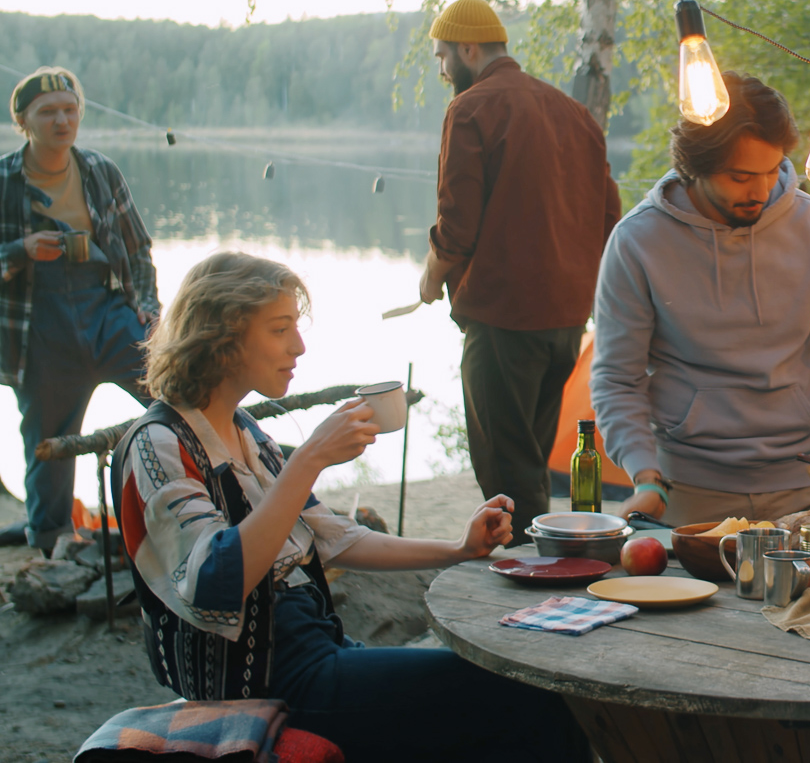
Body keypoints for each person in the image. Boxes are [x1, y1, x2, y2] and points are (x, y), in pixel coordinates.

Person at [115, 252, 588, 762]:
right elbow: (214, 582)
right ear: (222, 336)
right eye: (279, 330)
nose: (298, 346)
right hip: (266, 681)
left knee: (515, 690)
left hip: (319, 651)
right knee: (524, 693)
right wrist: (310, 459)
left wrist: (457, 548)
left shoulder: (246, 431)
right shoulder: (158, 444)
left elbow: (334, 537)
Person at [591, 72, 810, 526]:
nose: (762, 191)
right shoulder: (637, 241)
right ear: (697, 167)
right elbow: (617, 378)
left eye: (773, 171)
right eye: (741, 176)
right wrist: (644, 477)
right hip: (685, 494)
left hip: (807, 486)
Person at [417, 0, 621, 539]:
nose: (441, 70)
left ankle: (537, 579)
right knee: (530, 462)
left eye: (442, 57)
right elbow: (608, 217)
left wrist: (431, 275)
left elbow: (456, 224)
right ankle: (549, 568)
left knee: (508, 475)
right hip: (565, 324)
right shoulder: (575, 114)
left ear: (468, 48)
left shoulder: (471, 108)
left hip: (503, 317)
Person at [0, 66, 159, 552]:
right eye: (48, 112)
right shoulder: (5, 181)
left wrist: (149, 310)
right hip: (39, 323)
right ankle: (51, 542)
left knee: (179, 398)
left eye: (70, 110)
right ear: (24, 121)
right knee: (48, 443)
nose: (62, 120)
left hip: (107, 311)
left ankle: (220, 499)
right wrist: (21, 250)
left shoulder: (99, 170)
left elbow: (136, 249)